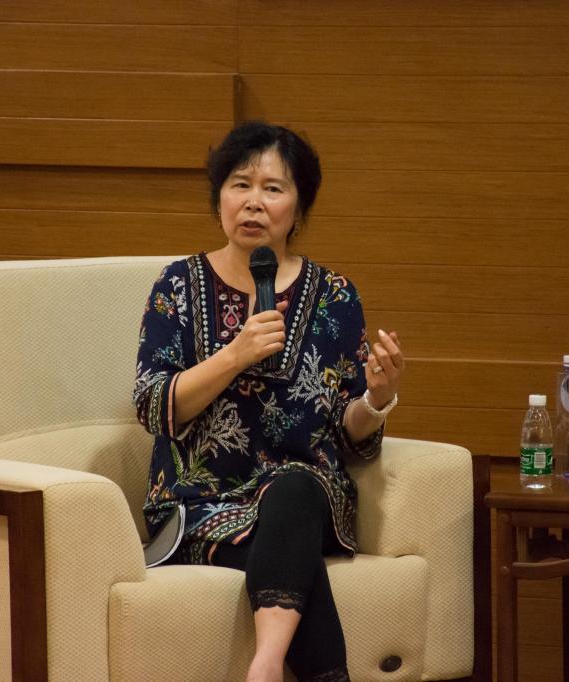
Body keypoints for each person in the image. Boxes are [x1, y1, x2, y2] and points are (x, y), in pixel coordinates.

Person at [133, 121, 404, 682]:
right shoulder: (176, 285)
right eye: (240, 184)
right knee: (293, 561)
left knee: (294, 491)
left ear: (298, 209)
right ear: (219, 200)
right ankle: (271, 665)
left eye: (273, 188)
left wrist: (377, 398)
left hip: (306, 497)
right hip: (199, 506)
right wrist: (234, 355)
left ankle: (263, 666)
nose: (253, 201)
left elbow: (350, 435)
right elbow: (153, 405)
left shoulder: (335, 296)